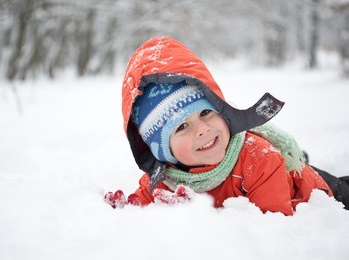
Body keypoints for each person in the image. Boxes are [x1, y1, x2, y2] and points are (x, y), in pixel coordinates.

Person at [104, 36, 349, 214]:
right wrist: (126, 210)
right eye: (181, 127)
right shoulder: (162, 180)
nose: (202, 128)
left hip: (319, 191)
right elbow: (141, 209)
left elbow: (272, 228)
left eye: (206, 113)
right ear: (161, 151)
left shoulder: (257, 159)